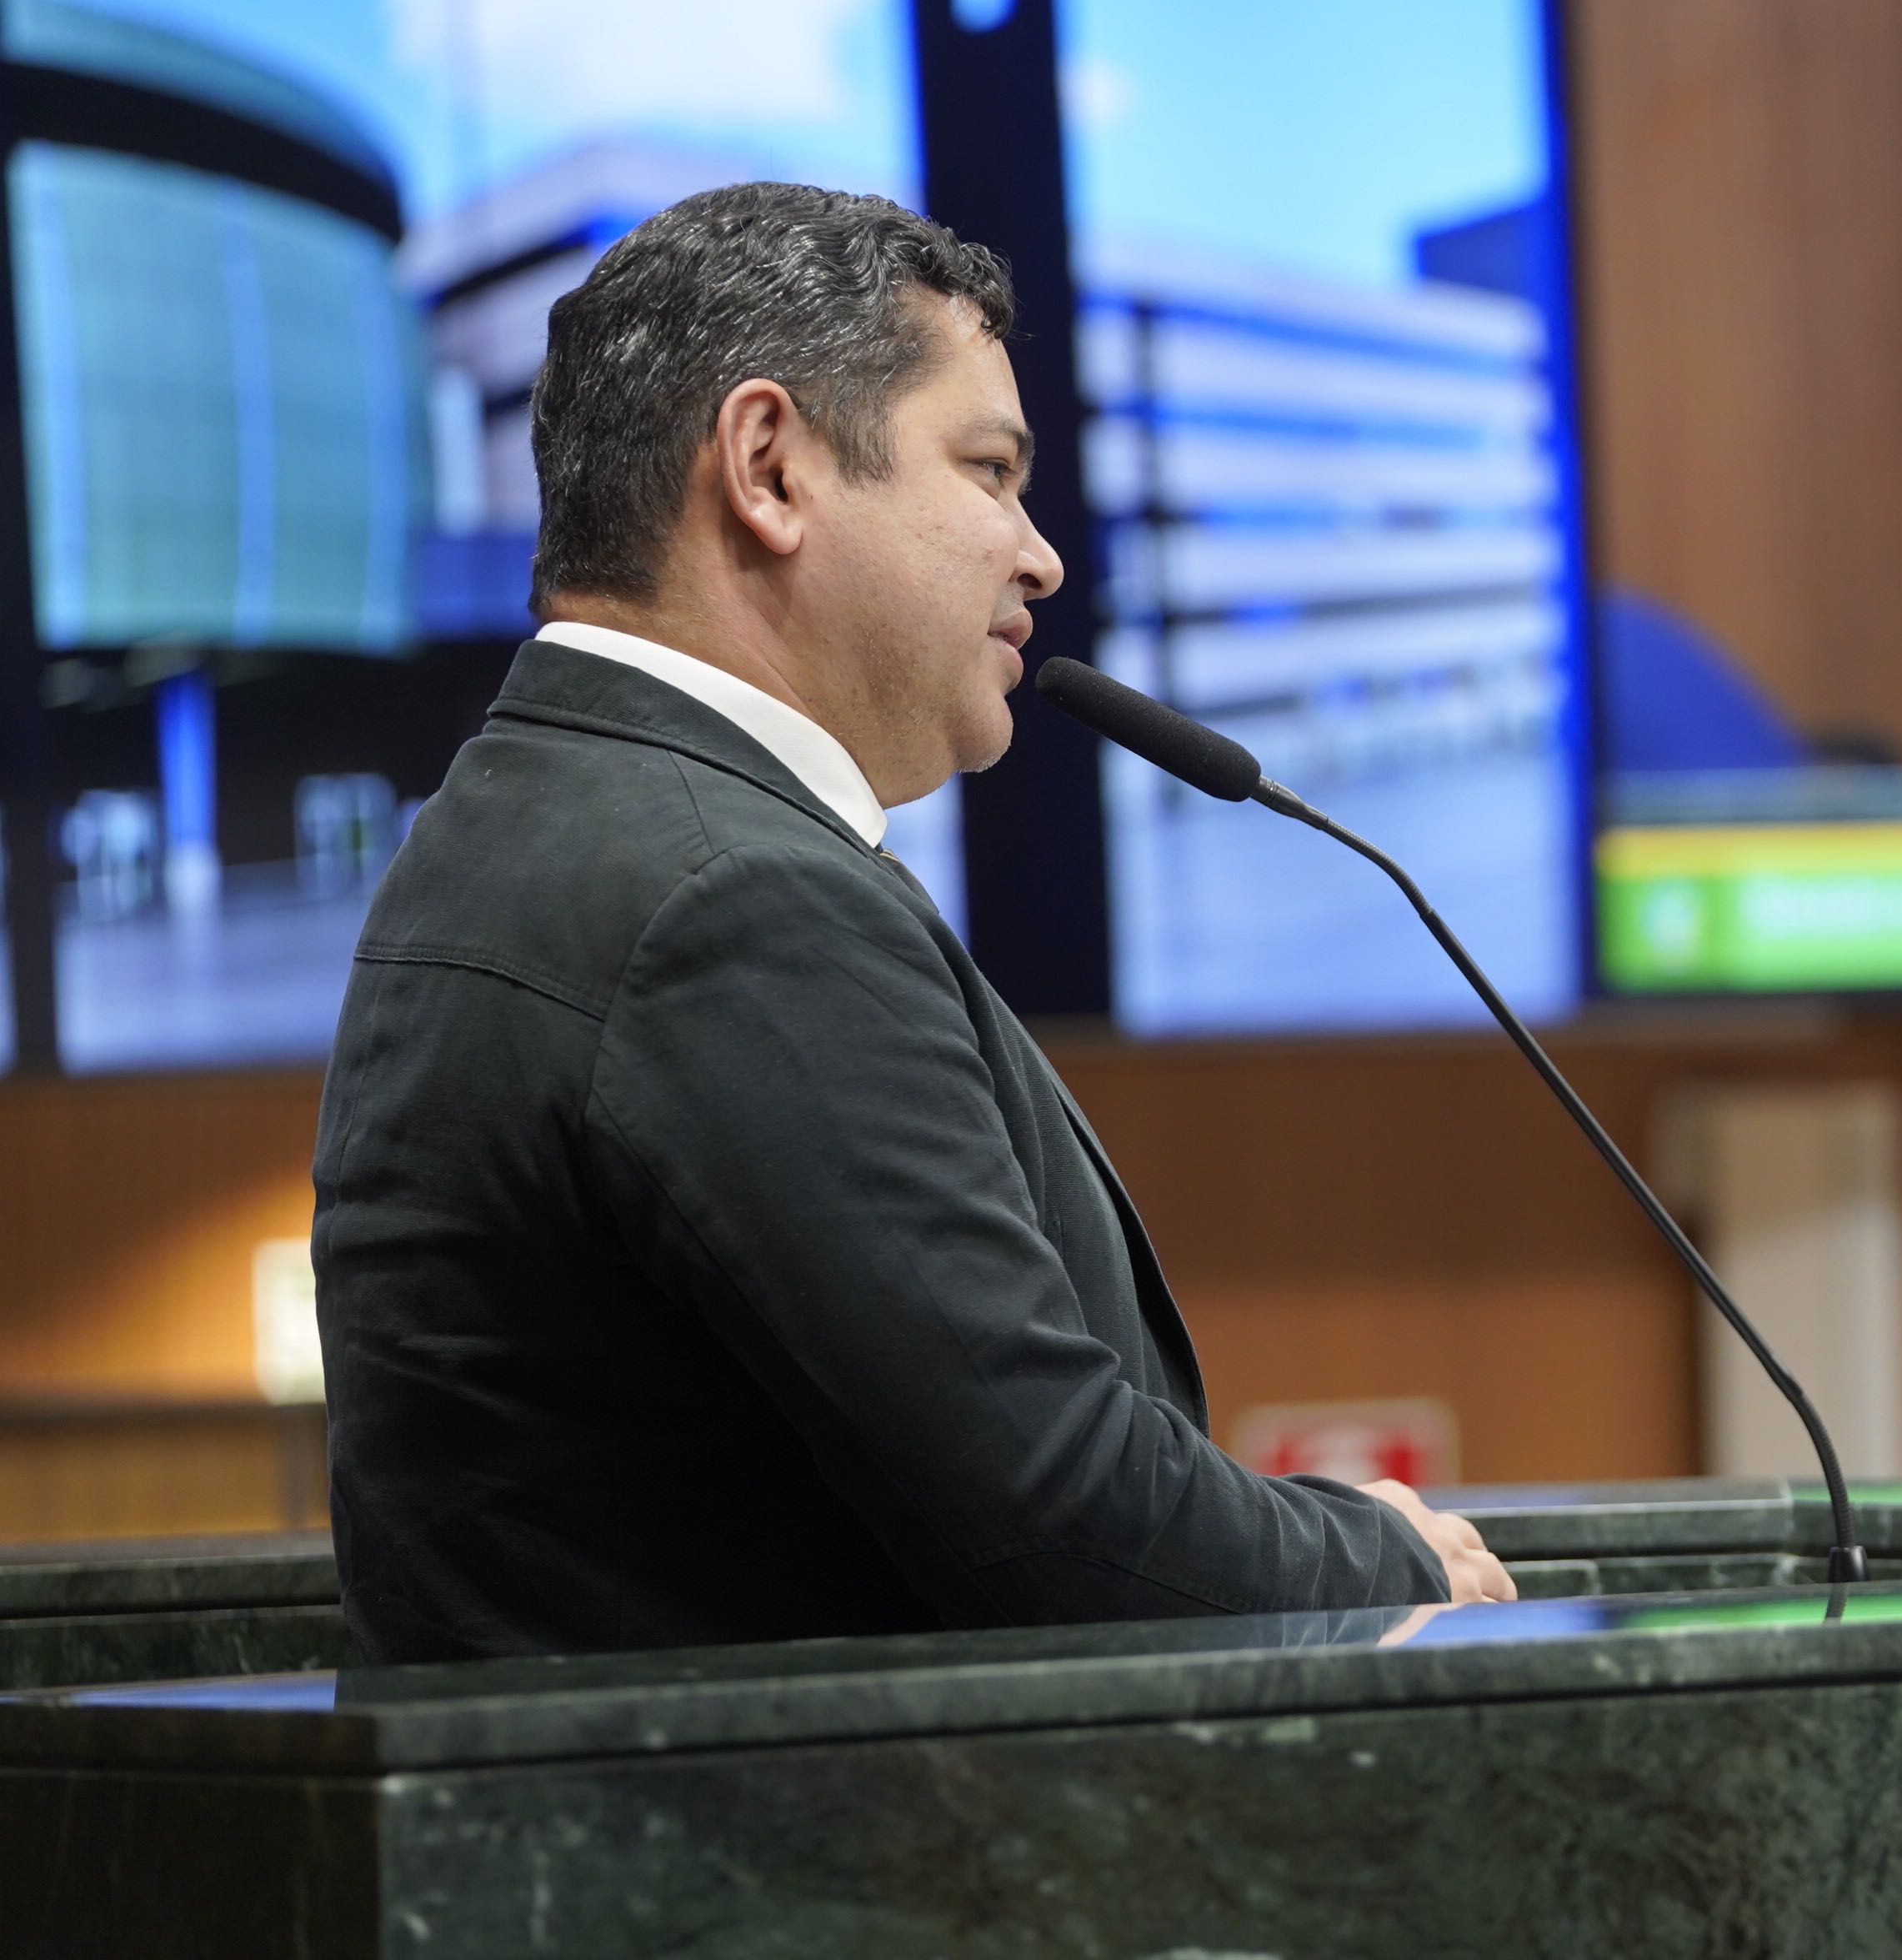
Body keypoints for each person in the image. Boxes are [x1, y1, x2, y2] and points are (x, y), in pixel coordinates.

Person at [313, 185, 1513, 1663]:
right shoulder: (729, 899)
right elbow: (1068, 1524)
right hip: (764, 1815)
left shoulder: (537, 812)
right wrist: (1382, 1552)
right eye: (989, 470)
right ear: (770, 468)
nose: (1040, 555)